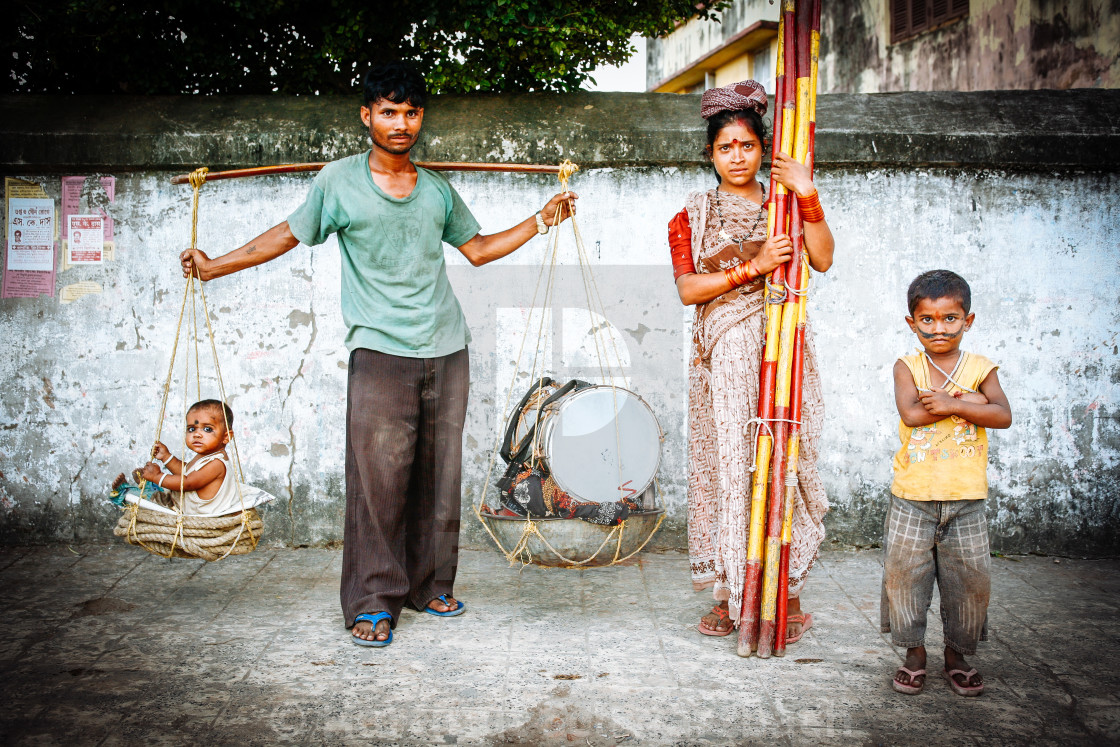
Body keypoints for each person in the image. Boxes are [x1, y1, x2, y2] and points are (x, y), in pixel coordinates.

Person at [178, 61, 576, 648]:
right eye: (388, 111)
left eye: (411, 112)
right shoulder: (338, 182)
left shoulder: (437, 190)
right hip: (379, 351)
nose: (401, 122)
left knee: (437, 477)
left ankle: (428, 584)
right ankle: (373, 598)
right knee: (377, 481)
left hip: (447, 347)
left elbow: (481, 249)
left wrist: (541, 220)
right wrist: (215, 266)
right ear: (367, 115)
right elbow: (285, 235)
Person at [667, 81, 834, 642]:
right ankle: (730, 594)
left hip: (783, 342)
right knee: (733, 465)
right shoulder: (692, 214)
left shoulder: (784, 203)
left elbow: (823, 258)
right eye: (724, 148)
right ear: (710, 154)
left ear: (763, 149)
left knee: (782, 460)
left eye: (746, 146)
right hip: (727, 348)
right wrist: (755, 266)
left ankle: (780, 593)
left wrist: (806, 192)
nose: (736, 157)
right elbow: (690, 289)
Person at [883, 270, 1012, 696]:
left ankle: (957, 654)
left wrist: (952, 402)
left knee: (970, 581)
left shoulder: (980, 367)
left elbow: (1003, 415)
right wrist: (970, 403)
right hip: (913, 497)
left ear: (968, 320)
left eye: (950, 319)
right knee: (905, 578)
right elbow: (912, 414)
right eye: (928, 320)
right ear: (912, 323)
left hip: (967, 499)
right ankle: (914, 653)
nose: (939, 329)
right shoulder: (908, 366)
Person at [111, 399, 270, 516]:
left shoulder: (216, 464)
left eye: (207, 429)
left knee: (141, 500)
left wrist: (158, 476)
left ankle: (129, 490)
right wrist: (166, 457)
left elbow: (187, 482)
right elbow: (186, 471)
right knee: (161, 495)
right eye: (192, 429)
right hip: (182, 503)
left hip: (199, 515)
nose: (197, 434)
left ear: (226, 437)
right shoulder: (205, 456)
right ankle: (151, 487)